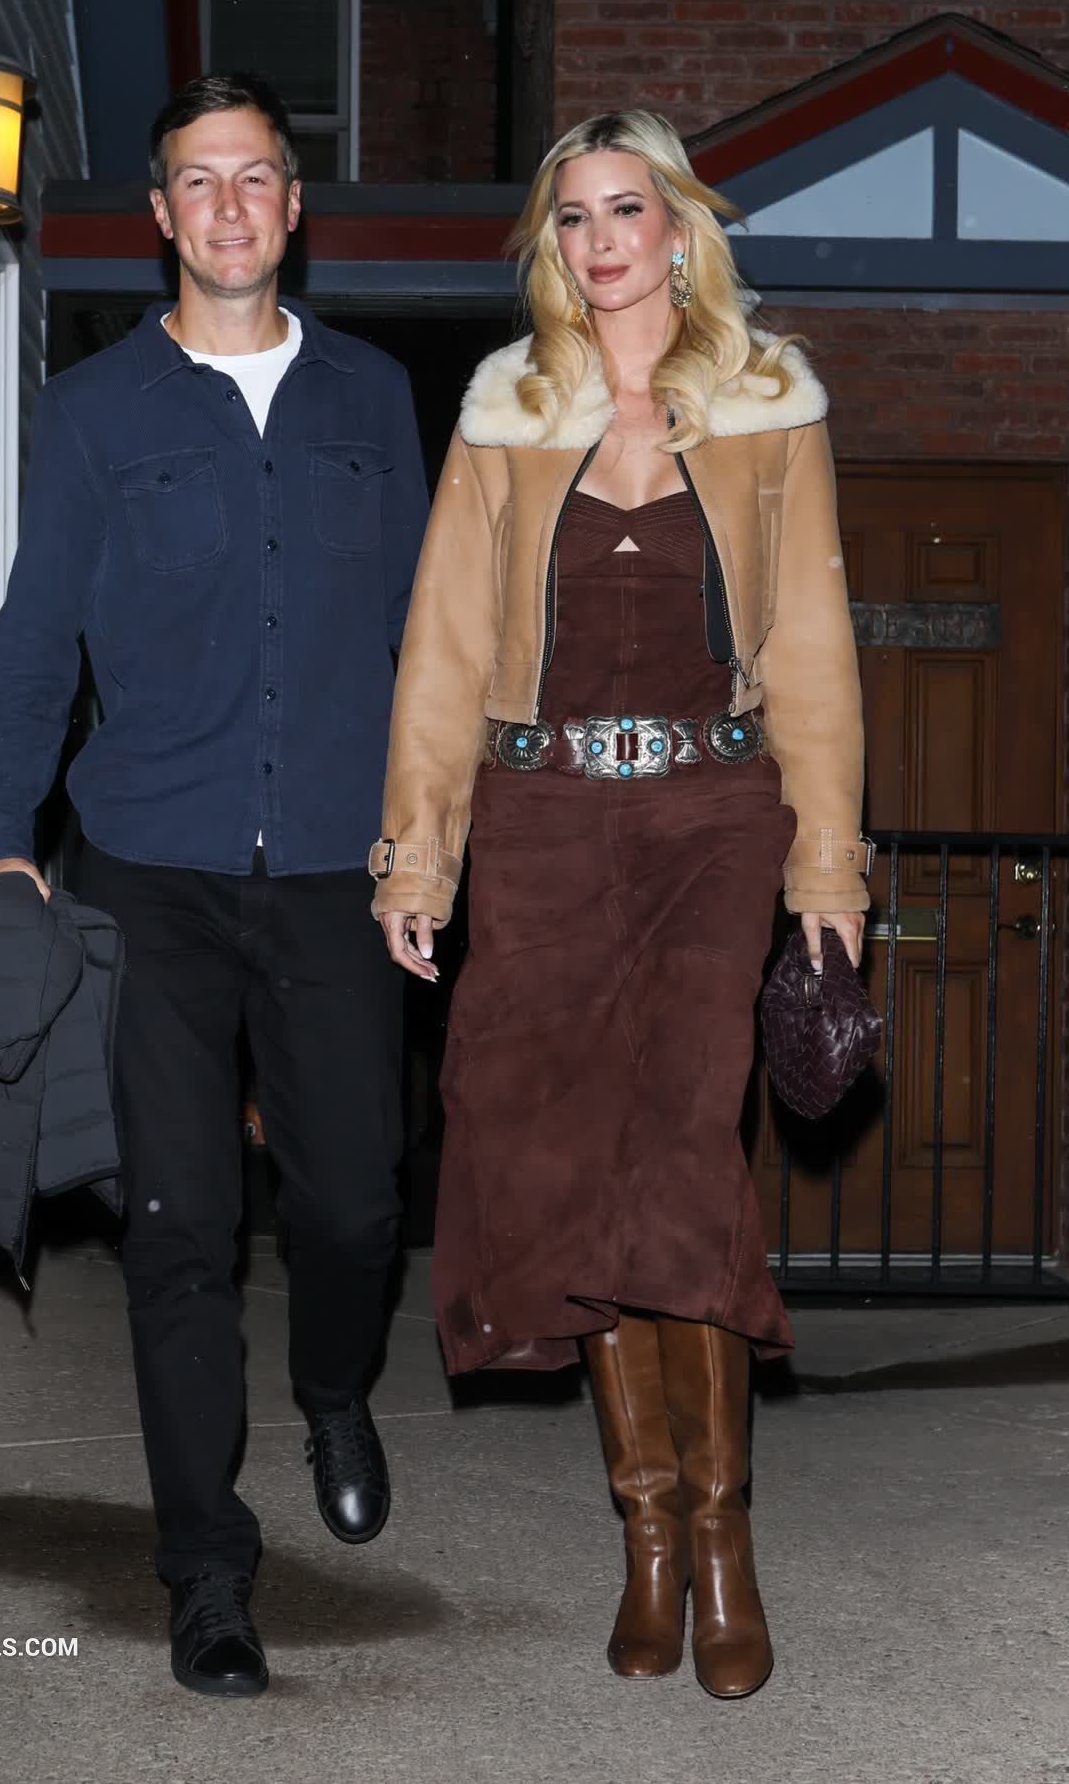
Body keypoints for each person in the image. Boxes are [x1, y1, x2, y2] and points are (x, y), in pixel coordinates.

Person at [370, 110, 869, 1699]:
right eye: (571, 217)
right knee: (568, 1171)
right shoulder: (505, 412)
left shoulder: (768, 404)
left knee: (676, 1154)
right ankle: (643, 1527)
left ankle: (719, 1538)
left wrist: (826, 867)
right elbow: (444, 650)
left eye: (625, 210)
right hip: (541, 820)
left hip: (712, 812)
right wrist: (418, 854)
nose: (599, 241)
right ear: (551, 243)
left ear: (677, 230)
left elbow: (811, 651)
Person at [0, 73, 429, 1698]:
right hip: (150, 872)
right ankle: (207, 1571)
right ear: (160, 214)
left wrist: (436, 834)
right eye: (196, 182)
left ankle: (334, 1389)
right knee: (178, 1227)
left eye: (255, 177)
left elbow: (423, 643)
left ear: (293, 205)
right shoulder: (98, 412)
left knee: (356, 1201)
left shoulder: (374, 398)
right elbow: (34, 645)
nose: (228, 206)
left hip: (337, 868)